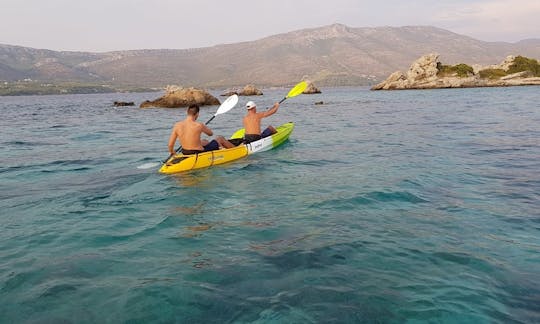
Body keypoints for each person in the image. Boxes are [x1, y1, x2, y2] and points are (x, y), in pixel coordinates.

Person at [168, 104, 234, 155]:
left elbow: (170, 145)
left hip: (185, 152)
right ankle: (237, 150)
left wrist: (172, 152)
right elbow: (210, 134)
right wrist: (203, 127)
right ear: (197, 114)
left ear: (187, 112)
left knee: (204, 141)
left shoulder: (177, 125)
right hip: (198, 152)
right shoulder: (199, 125)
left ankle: (220, 149)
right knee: (220, 138)